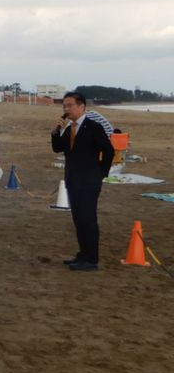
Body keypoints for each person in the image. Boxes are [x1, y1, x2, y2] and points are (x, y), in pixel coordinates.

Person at [51, 92, 115, 271]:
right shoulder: (69, 128)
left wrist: (101, 172)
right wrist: (56, 131)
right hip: (72, 180)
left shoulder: (93, 127)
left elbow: (108, 151)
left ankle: (91, 259)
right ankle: (83, 254)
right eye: (64, 106)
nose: (66, 109)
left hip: (89, 181)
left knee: (88, 219)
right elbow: (58, 148)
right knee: (78, 219)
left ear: (81, 106)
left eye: (69, 105)